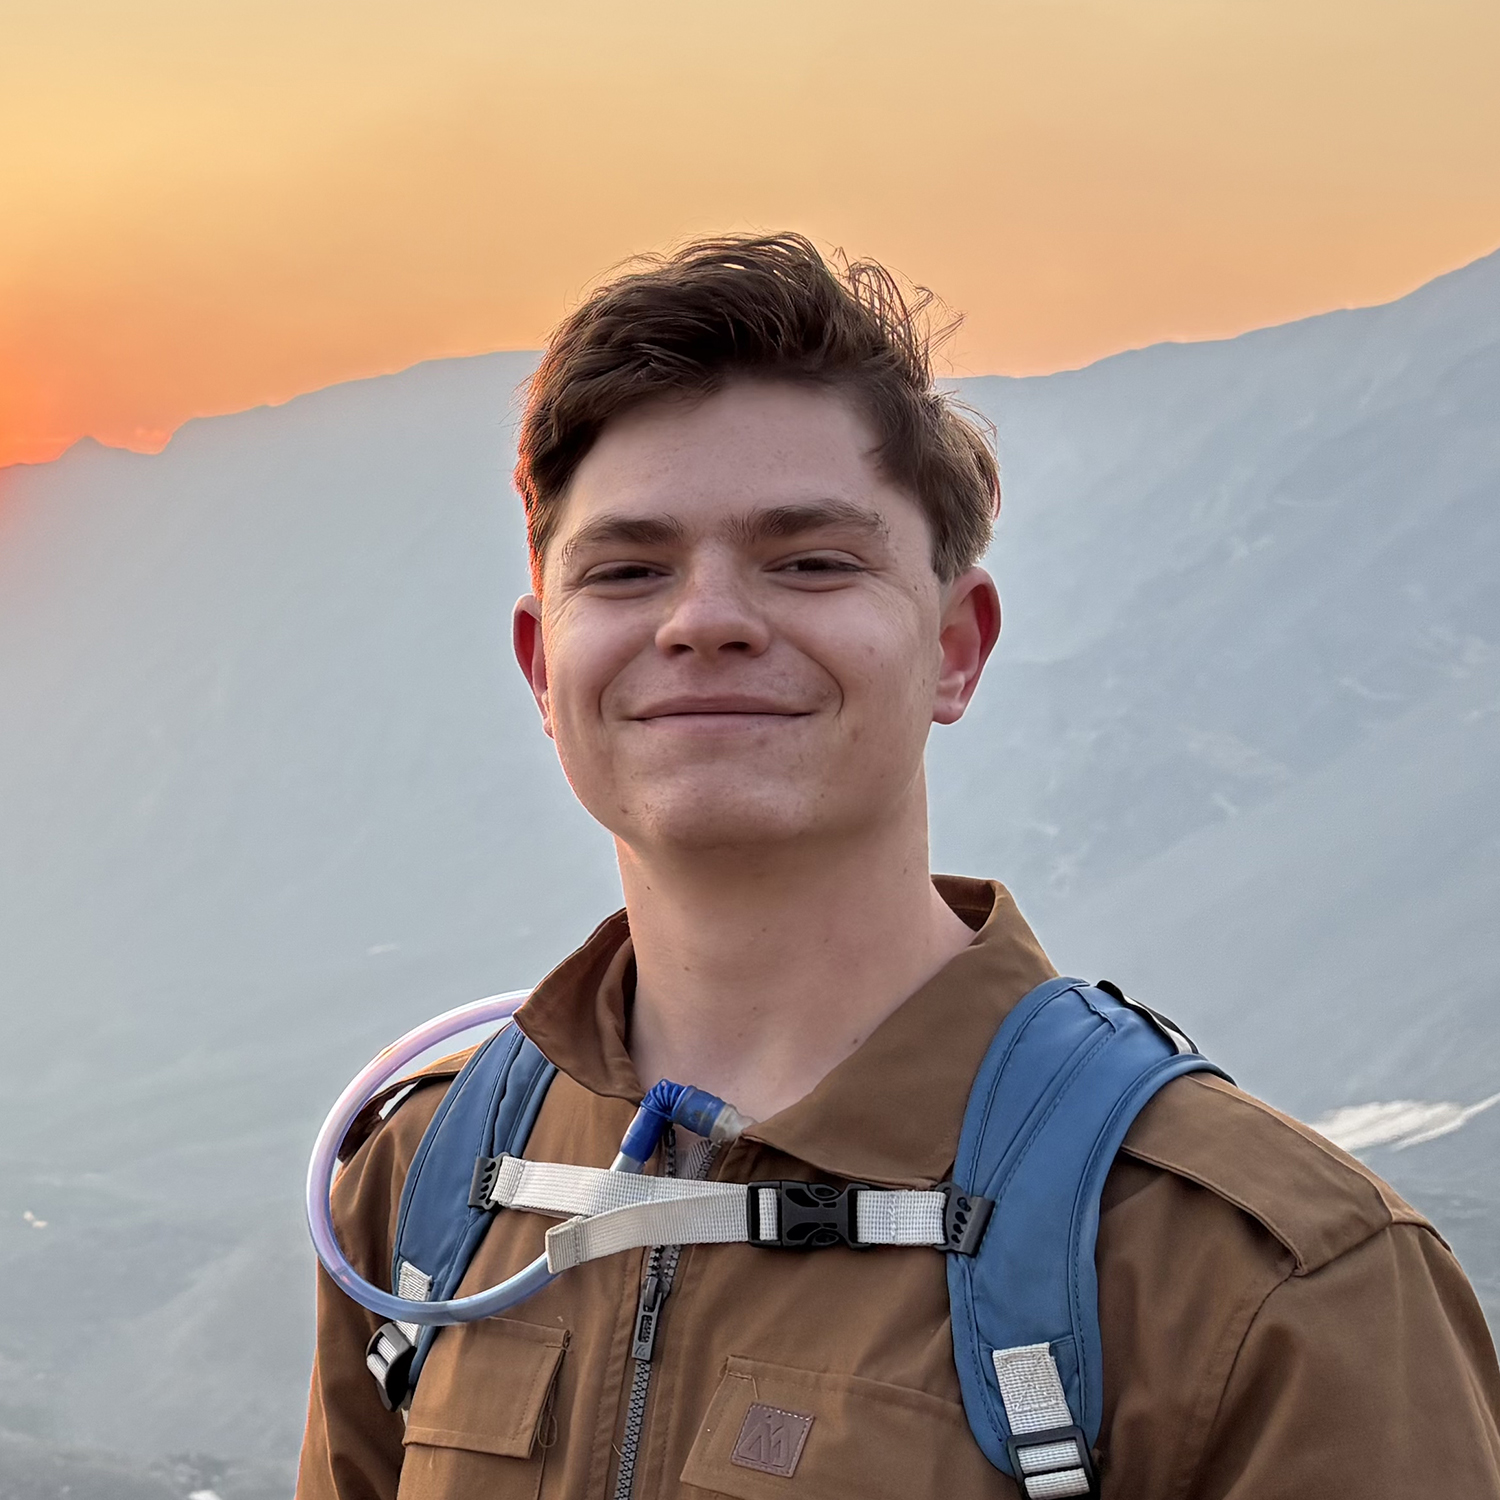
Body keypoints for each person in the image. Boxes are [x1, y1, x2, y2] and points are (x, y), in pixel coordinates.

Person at [296, 234, 1500, 1499]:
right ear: (545, 667)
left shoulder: (1267, 1281)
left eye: (811, 561)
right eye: (629, 569)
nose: (705, 619)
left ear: (955, 648)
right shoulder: (424, 1188)